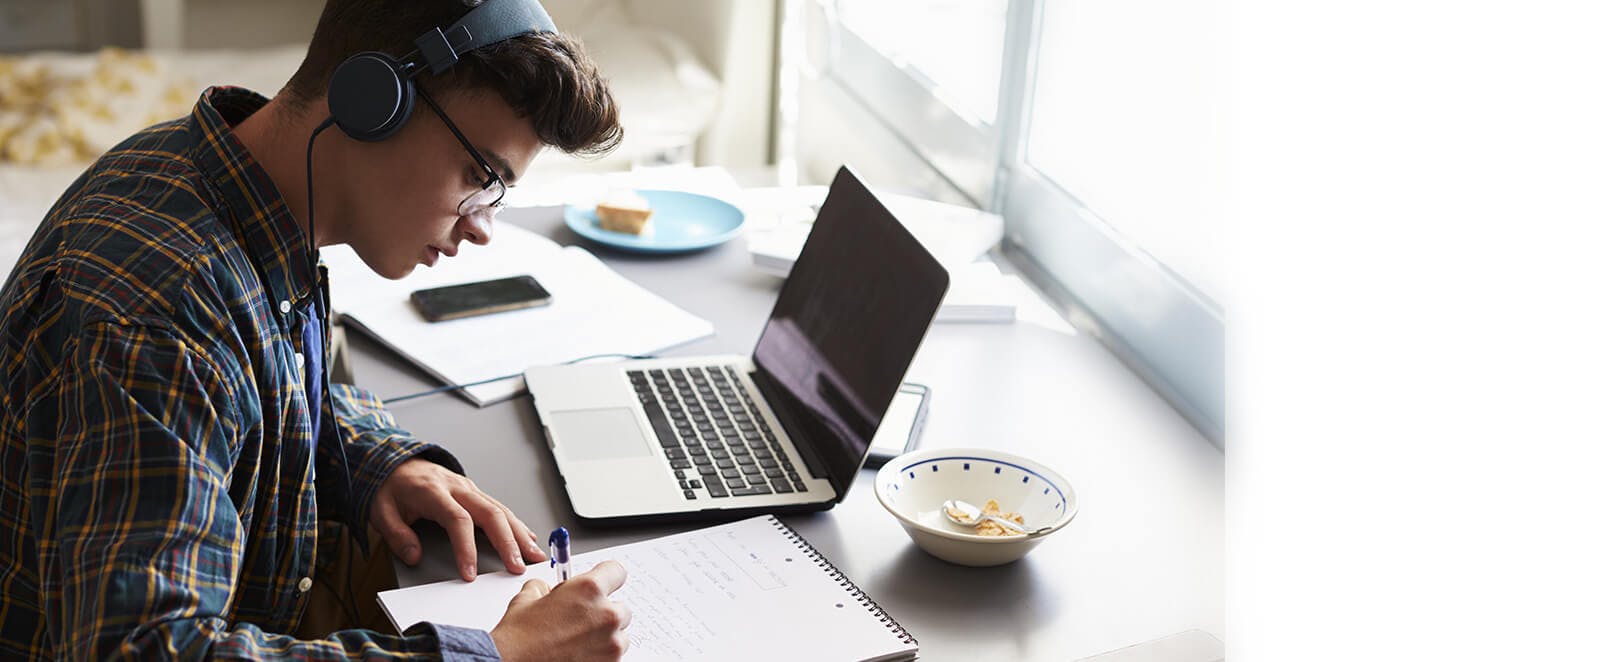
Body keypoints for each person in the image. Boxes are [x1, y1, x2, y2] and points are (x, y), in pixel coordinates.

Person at [0, 0, 632, 659]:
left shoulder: (223, 185)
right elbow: (146, 649)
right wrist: (495, 656)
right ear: (370, 100)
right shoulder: (160, 313)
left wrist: (375, 460)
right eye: (480, 176)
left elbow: (260, 387)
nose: (481, 225)